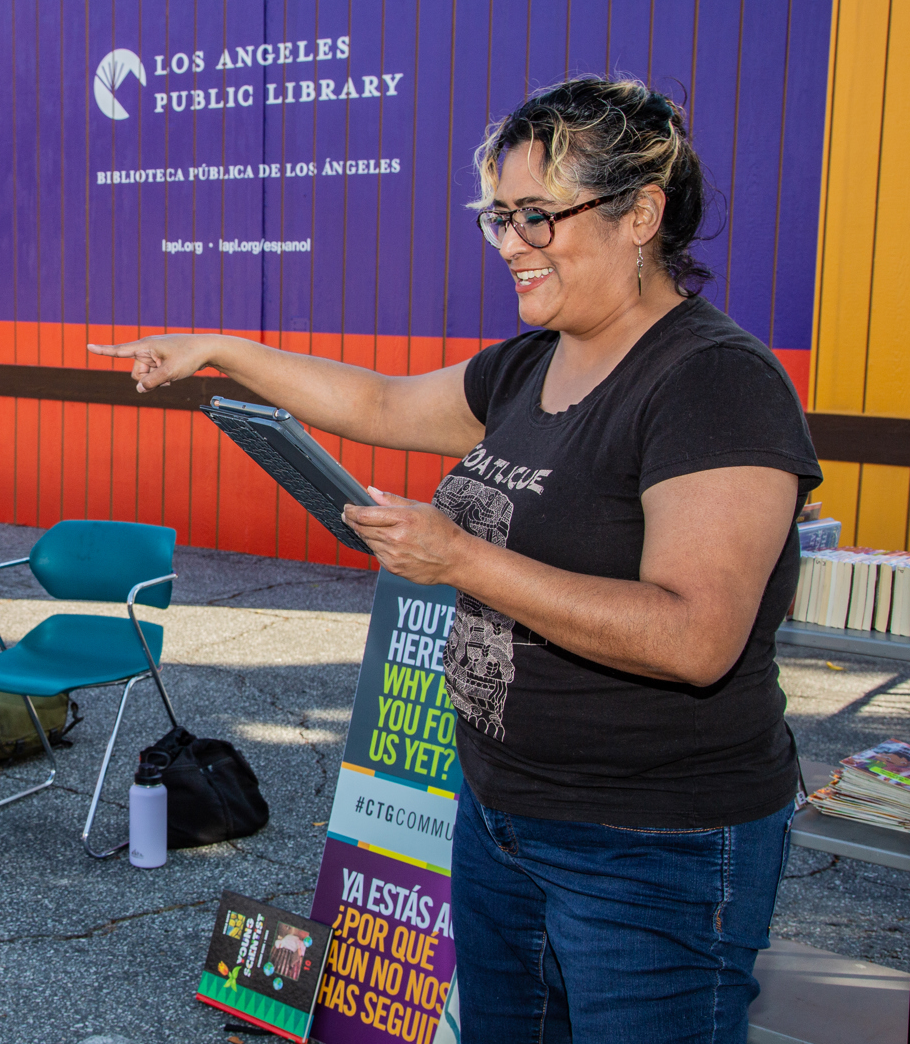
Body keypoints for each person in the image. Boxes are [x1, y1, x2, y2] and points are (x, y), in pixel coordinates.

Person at [93, 78, 820, 1043]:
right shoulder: (531, 362)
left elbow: (695, 636)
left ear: (640, 213)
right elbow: (384, 406)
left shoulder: (715, 382)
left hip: (653, 847)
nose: (513, 243)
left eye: (536, 217)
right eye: (499, 217)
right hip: (500, 816)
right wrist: (221, 351)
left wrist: (461, 559)